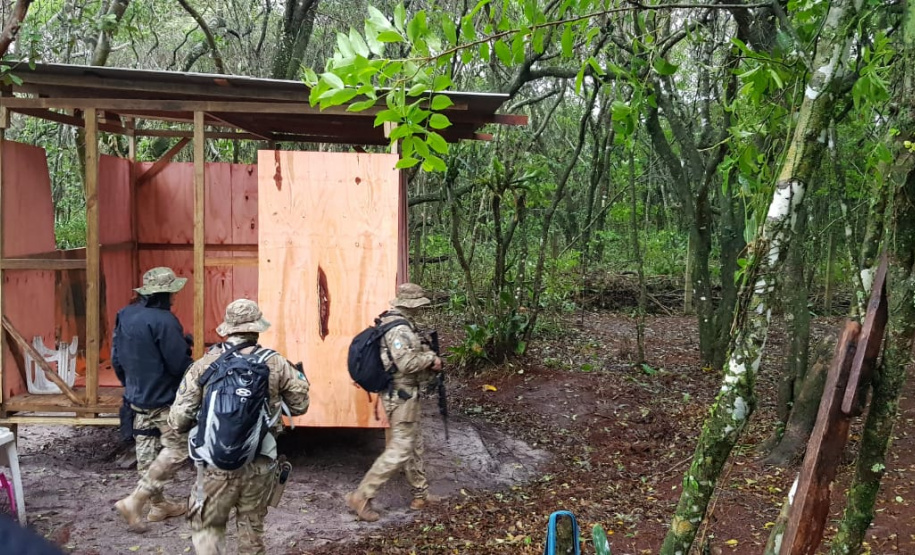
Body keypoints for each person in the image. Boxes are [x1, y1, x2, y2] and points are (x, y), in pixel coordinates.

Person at [173, 298, 309, 554]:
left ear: (227, 329)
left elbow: (178, 420)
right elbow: (300, 405)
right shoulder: (276, 362)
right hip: (260, 461)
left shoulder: (204, 365)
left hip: (215, 463)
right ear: (257, 329)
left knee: (206, 528)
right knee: (251, 529)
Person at [345, 283, 443, 522]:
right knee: (399, 449)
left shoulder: (399, 324)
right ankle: (362, 496)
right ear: (410, 305)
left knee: (413, 444)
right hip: (401, 396)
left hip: (406, 395)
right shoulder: (398, 329)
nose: (420, 310)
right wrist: (431, 358)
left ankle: (420, 493)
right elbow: (406, 364)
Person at [111, 266, 193, 526]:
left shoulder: (125, 315)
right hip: (162, 399)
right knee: (177, 449)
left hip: (136, 397)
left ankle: (159, 506)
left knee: (146, 452)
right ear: (164, 294)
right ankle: (135, 500)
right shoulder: (165, 321)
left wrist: (130, 385)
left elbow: (116, 357)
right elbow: (178, 363)